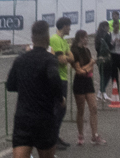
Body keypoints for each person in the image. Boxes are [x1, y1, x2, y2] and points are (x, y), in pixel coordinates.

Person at [7, 20, 63, 158]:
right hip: (44, 118)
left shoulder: (20, 60)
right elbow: (55, 80)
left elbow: (10, 85)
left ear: (32, 39)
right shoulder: (50, 60)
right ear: (47, 38)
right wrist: (60, 98)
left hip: (23, 119)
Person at [70, 30, 103, 145]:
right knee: (81, 110)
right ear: (80, 38)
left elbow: (88, 70)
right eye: (85, 37)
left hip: (88, 81)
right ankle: (80, 134)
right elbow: (79, 70)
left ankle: (95, 135)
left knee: (93, 107)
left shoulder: (87, 50)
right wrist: (91, 64)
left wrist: (87, 67)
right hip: (79, 82)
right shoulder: (74, 51)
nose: (87, 39)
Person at [49, 17, 73, 150]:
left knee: (61, 110)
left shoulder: (64, 41)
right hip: (57, 78)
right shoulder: (55, 40)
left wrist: (67, 57)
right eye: (69, 26)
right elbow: (62, 60)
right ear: (64, 26)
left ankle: (55, 135)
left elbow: (71, 57)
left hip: (64, 78)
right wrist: (67, 58)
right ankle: (52, 138)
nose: (70, 29)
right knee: (58, 109)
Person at [95, 21, 113, 98]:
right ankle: (103, 92)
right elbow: (111, 47)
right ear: (105, 27)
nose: (108, 28)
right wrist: (114, 42)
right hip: (107, 58)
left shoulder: (97, 36)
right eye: (107, 26)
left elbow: (96, 48)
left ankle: (100, 92)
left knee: (102, 75)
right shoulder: (107, 36)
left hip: (99, 57)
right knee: (107, 75)